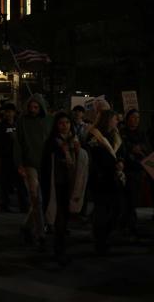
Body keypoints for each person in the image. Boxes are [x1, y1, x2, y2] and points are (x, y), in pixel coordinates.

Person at [40, 112, 84, 265]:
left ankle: (61, 248)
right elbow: (46, 164)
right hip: (56, 183)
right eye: (61, 123)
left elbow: (82, 159)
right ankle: (58, 250)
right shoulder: (52, 142)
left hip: (70, 183)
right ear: (56, 125)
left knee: (65, 215)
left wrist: (78, 151)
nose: (64, 126)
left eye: (67, 122)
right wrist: (61, 156)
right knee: (59, 216)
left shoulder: (75, 140)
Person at [15, 94, 52, 250]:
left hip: (45, 163)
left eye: (36, 107)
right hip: (29, 164)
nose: (33, 110)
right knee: (36, 198)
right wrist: (19, 164)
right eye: (31, 107)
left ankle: (26, 226)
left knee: (41, 200)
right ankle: (40, 234)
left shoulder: (48, 121)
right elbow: (18, 143)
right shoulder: (22, 121)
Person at [86, 109, 124, 255]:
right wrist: (111, 165)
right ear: (107, 120)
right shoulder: (95, 136)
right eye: (115, 119)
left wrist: (120, 161)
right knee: (102, 211)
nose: (117, 121)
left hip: (113, 178)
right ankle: (100, 241)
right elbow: (95, 157)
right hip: (100, 179)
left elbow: (120, 152)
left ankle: (104, 236)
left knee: (116, 209)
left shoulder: (115, 135)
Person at [119, 109, 151, 240]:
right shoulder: (122, 133)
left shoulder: (141, 133)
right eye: (133, 117)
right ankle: (125, 225)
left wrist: (140, 148)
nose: (136, 120)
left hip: (138, 169)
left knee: (134, 198)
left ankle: (130, 225)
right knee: (126, 199)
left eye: (138, 118)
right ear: (127, 119)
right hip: (126, 168)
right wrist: (132, 148)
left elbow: (147, 147)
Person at [0, 103, 27, 212]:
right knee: (5, 183)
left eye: (10, 111)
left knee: (21, 183)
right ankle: (4, 204)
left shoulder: (18, 125)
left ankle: (24, 205)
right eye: (6, 112)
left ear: (14, 113)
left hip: (17, 159)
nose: (8, 114)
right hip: (6, 158)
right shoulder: (0, 126)